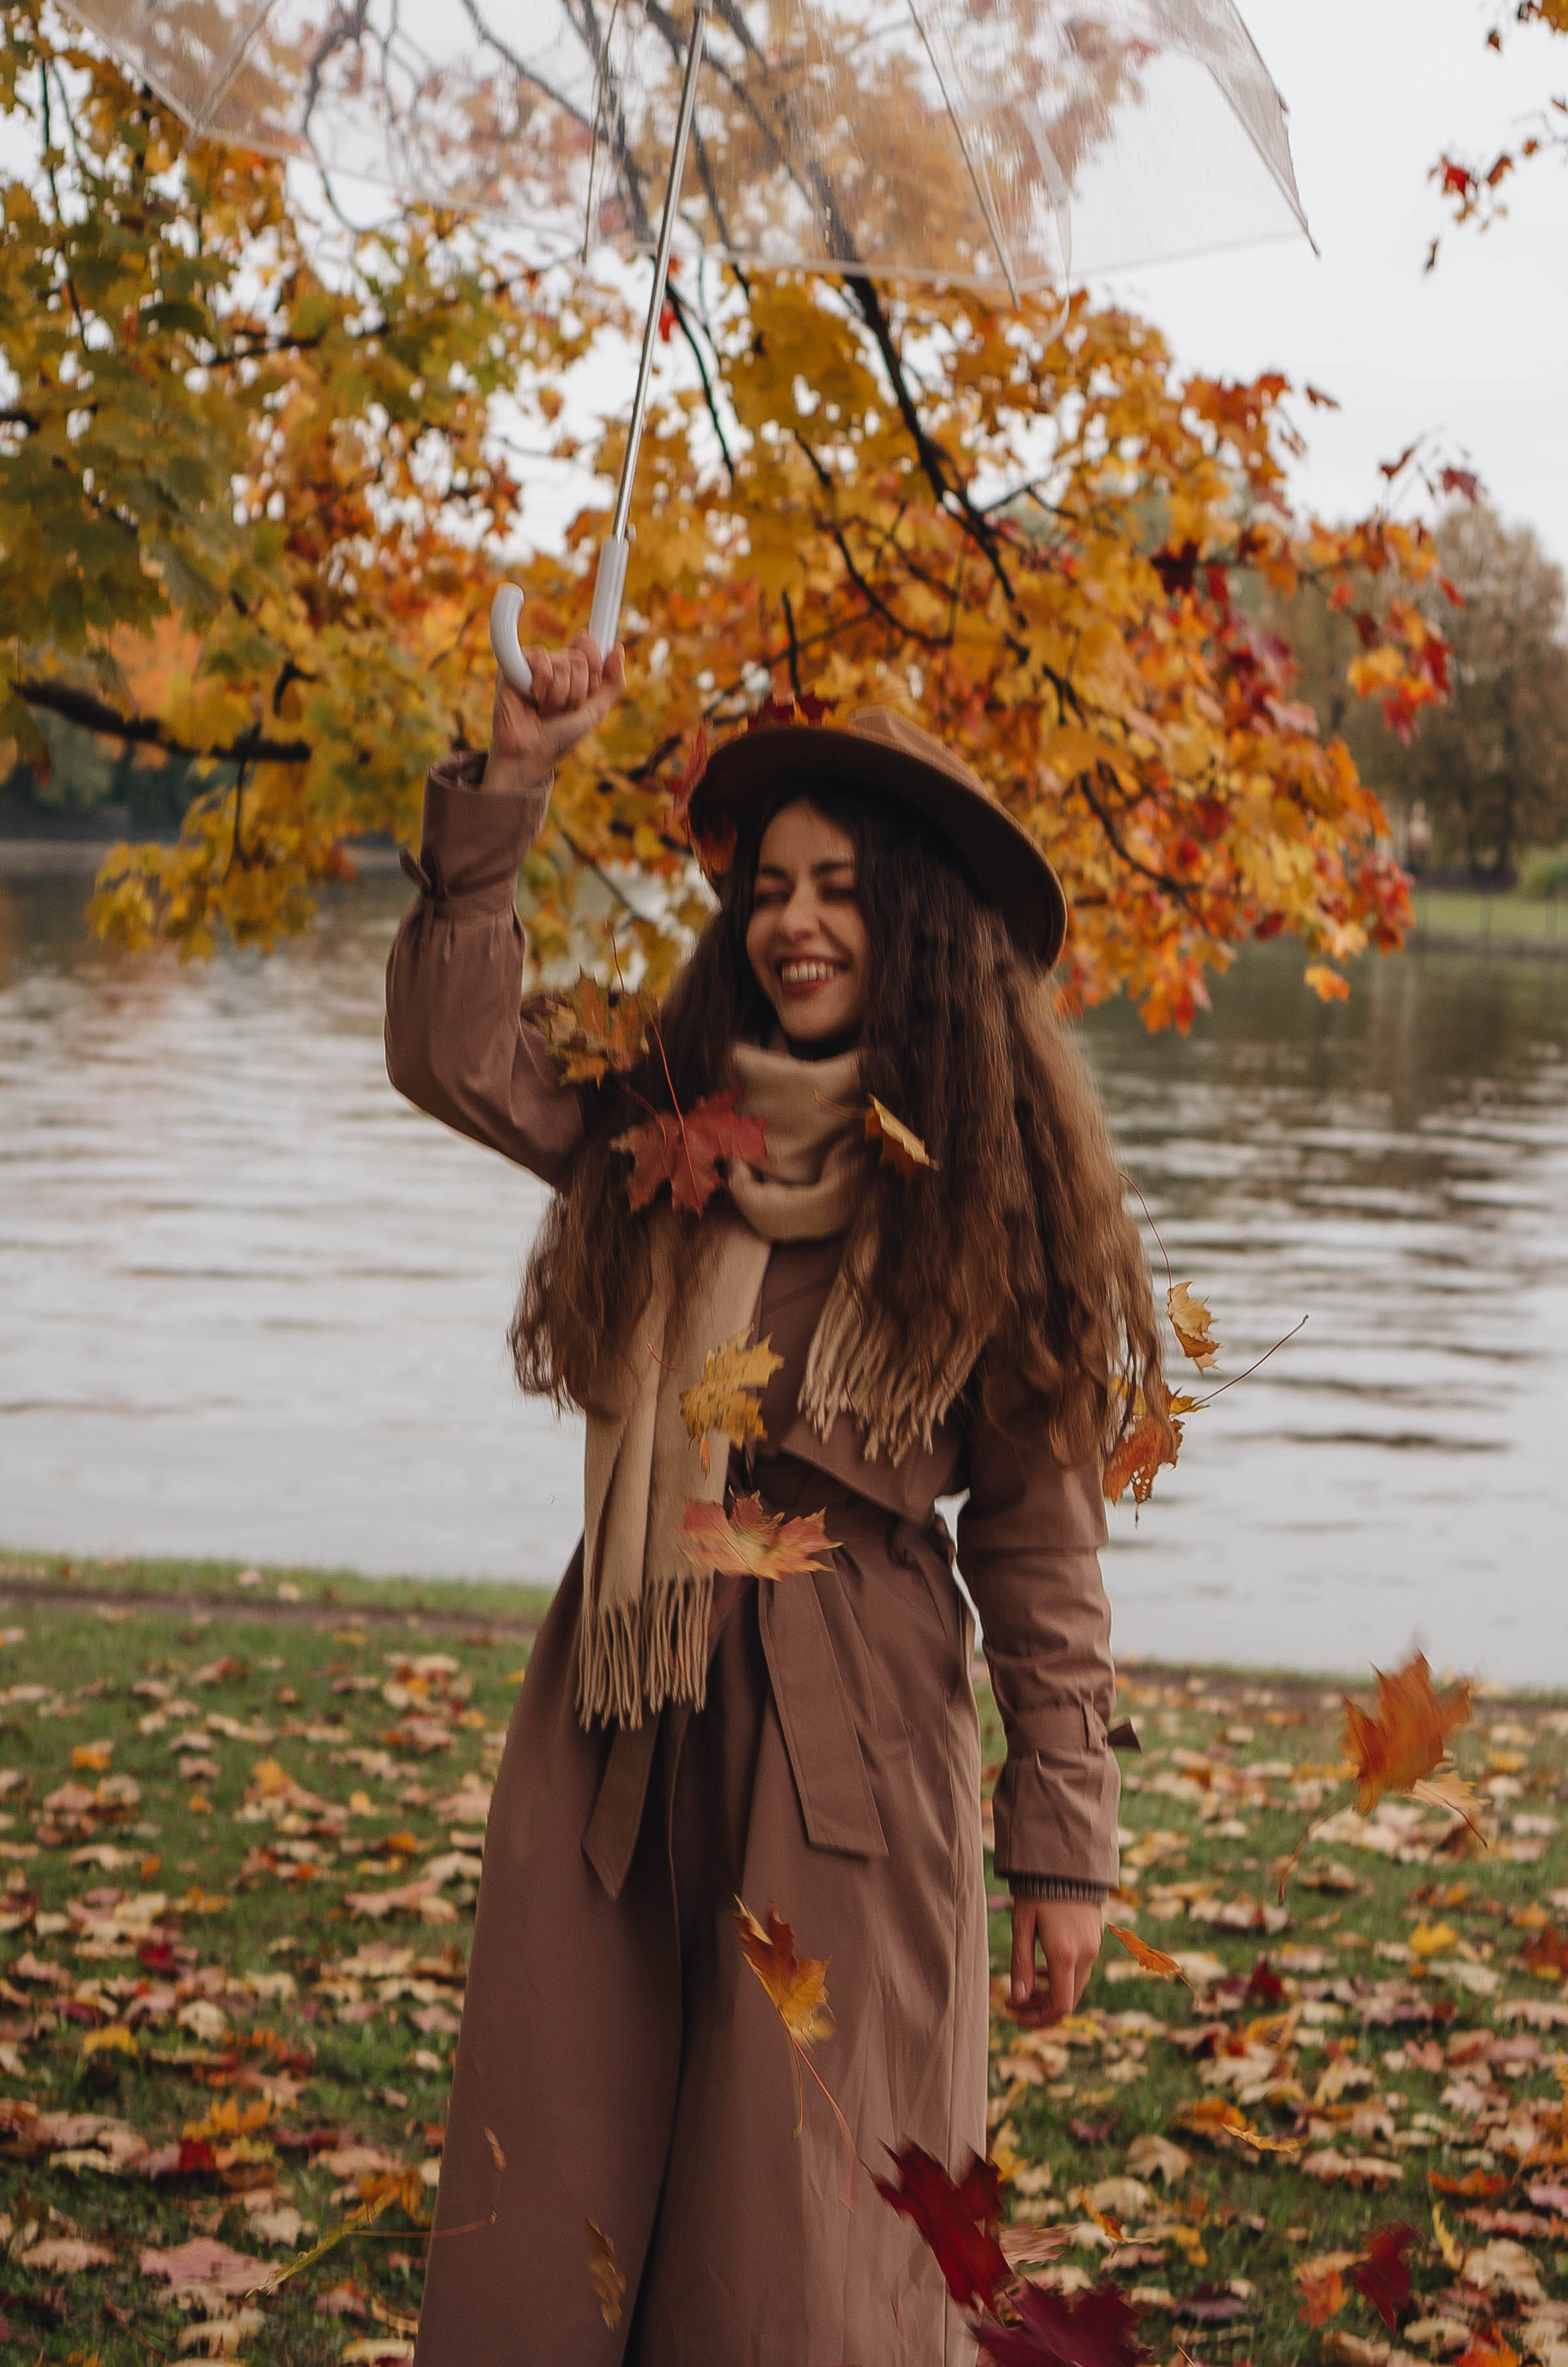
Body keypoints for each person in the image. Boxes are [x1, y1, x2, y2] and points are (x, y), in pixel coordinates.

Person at [385, 626, 1172, 2367]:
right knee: (564, 2189)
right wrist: (512, 781)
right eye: (767, 888)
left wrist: (1065, 1849)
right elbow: (455, 1048)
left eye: (839, 889)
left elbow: (1044, 1557)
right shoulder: (667, 1126)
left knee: (802, 2244)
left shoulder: (989, 1195)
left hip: (848, 1754)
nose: (792, 920)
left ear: (919, 925)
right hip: (619, 1713)